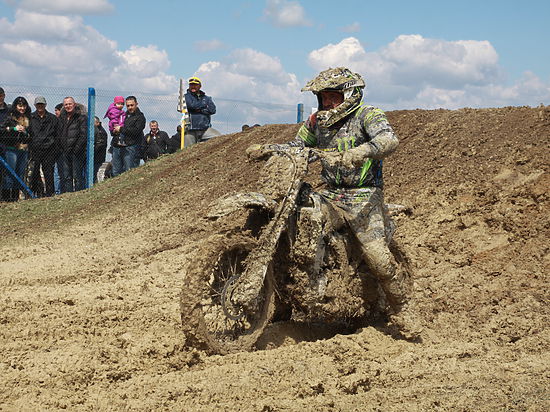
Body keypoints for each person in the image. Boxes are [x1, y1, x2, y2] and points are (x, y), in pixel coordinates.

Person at [247, 67, 416, 337]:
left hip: (363, 195)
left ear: (348, 95)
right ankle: (284, 301)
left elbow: (388, 140)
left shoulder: (367, 115)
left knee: (377, 256)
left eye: (332, 97)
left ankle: (404, 307)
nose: (326, 103)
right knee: (297, 220)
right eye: (323, 97)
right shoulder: (316, 121)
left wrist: (361, 152)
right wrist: (269, 149)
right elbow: (299, 146)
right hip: (331, 191)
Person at [0, 96, 32, 201]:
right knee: (10, 174)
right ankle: (7, 198)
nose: (22, 108)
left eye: (24, 106)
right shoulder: (10, 117)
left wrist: (25, 132)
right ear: (16, 106)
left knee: (20, 174)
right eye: (20, 106)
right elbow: (2, 130)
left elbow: (31, 135)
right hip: (11, 149)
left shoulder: (28, 118)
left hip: (24, 150)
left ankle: (15, 198)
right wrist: (14, 128)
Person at [27, 96, 59, 197]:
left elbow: (57, 133)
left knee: (48, 173)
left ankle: (50, 194)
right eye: (38, 104)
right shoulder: (30, 117)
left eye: (42, 104)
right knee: (34, 173)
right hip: (35, 149)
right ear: (35, 105)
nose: (40, 106)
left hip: (49, 149)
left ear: (45, 105)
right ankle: (35, 193)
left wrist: (54, 145)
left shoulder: (52, 118)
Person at [111, 96, 145, 176]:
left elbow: (136, 131)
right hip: (118, 146)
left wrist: (121, 129)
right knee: (115, 172)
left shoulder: (140, 117)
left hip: (131, 147)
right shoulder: (122, 115)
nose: (130, 107)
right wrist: (114, 130)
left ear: (136, 104)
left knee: (129, 172)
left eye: (132, 105)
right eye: (128, 105)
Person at [58, 96, 87, 192]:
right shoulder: (61, 118)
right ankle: (69, 196)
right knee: (66, 176)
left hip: (76, 152)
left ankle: (79, 195)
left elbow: (83, 135)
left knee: (77, 176)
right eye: (66, 104)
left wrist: (76, 149)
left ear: (74, 104)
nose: (68, 106)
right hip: (64, 152)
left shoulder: (81, 117)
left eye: (70, 104)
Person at [184, 76, 216, 147]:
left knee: (218, 138)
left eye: (195, 85)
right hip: (190, 129)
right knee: (187, 151)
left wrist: (199, 109)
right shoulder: (186, 96)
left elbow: (212, 110)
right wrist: (204, 105)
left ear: (200, 86)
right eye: (191, 85)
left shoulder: (206, 98)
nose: (193, 86)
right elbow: (191, 106)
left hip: (205, 128)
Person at [53, 103, 64, 195]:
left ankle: (60, 191)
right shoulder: (55, 121)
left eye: (57, 110)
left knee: (60, 172)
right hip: (56, 150)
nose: (55, 112)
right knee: (57, 172)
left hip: (63, 150)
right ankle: (57, 191)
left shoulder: (63, 121)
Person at [93, 116, 108, 183]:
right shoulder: (98, 131)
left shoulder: (100, 132)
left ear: (97, 123)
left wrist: (92, 151)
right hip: (97, 157)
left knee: (93, 174)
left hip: (97, 157)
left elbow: (100, 145)